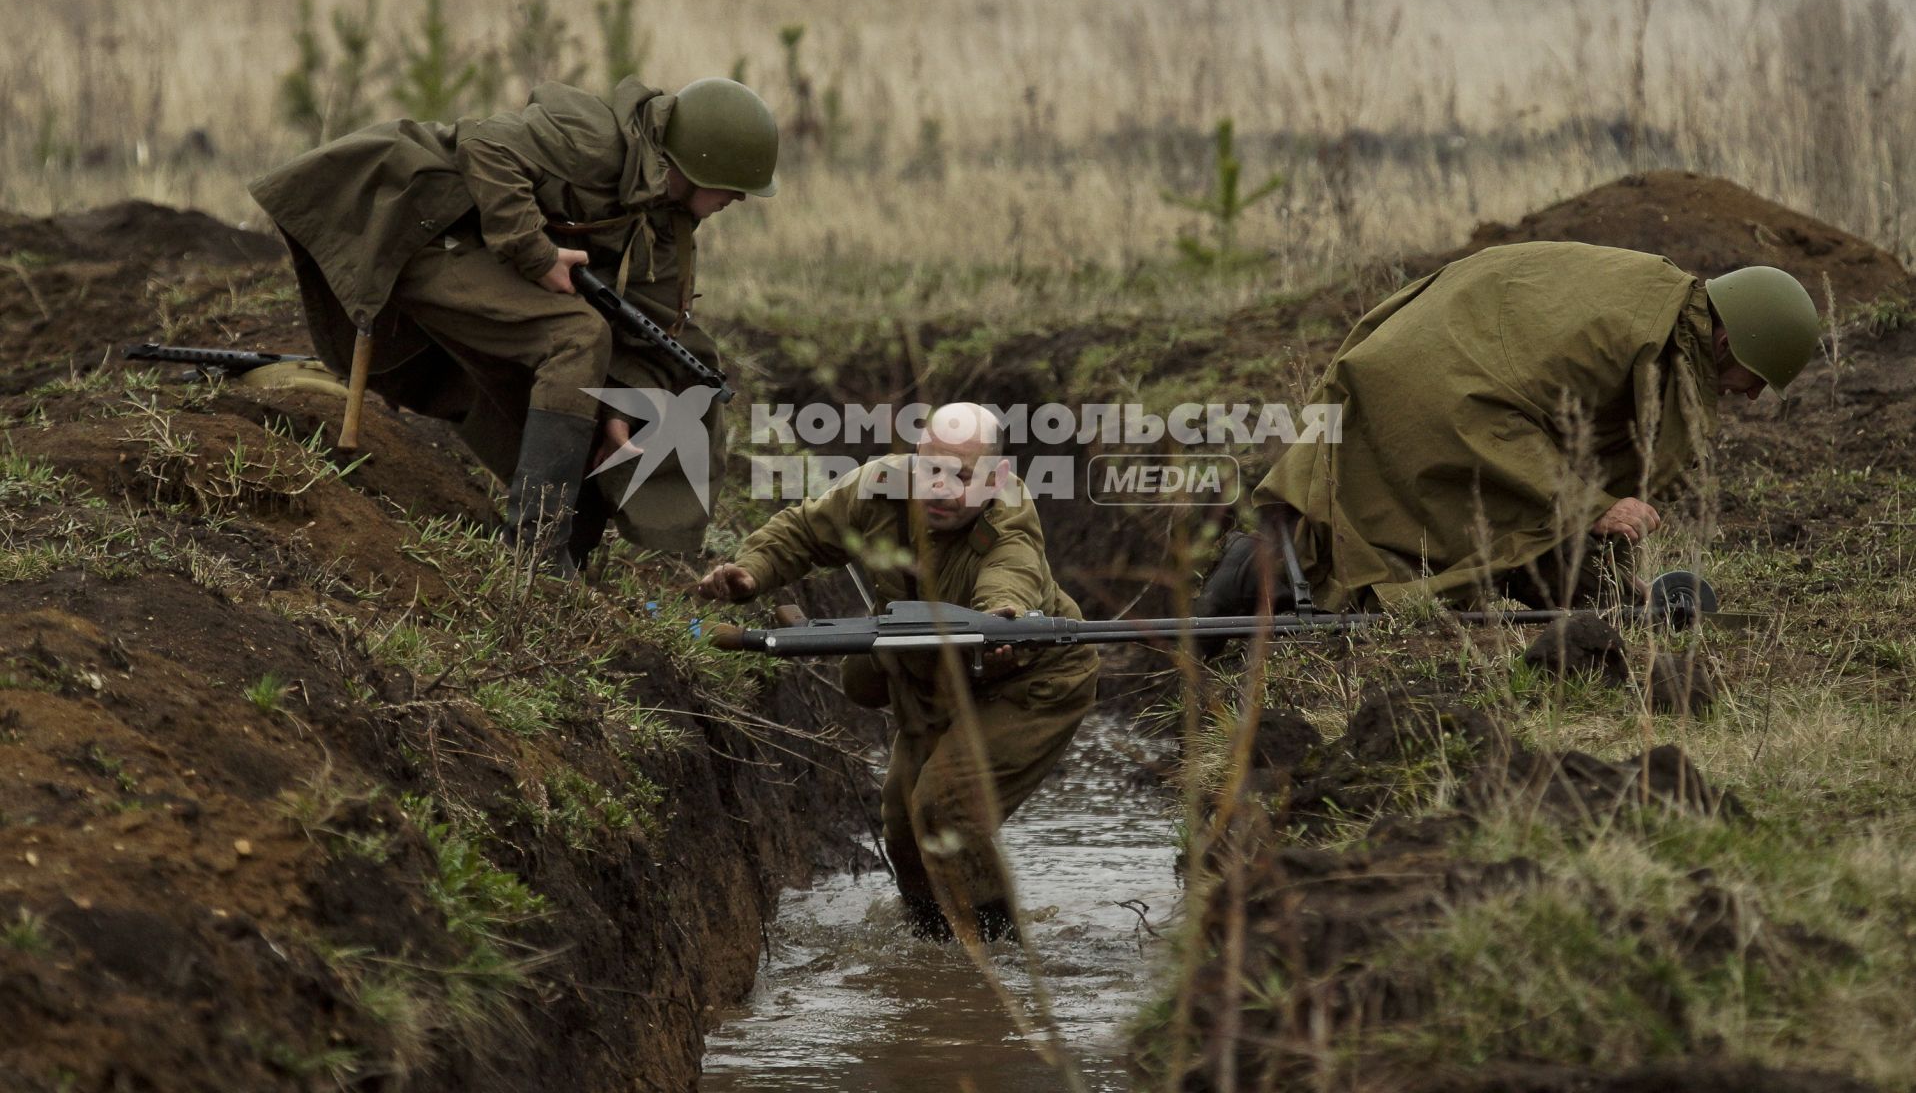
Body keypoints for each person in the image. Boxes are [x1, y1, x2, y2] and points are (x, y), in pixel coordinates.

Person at [250, 76, 778, 573]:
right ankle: (534, 555)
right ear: (701, 167)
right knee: (577, 337)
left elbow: (654, 324)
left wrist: (617, 407)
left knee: (604, 395)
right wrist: (536, 253)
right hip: (419, 226)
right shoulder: (597, 140)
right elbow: (485, 145)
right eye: (735, 187)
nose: (741, 200)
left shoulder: (671, 219)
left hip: (478, 252)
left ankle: (559, 572)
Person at [1199, 242, 1819, 616]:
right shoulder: (1628, 335)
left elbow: (1576, 438)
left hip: (1439, 356)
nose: (1752, 395)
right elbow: (1487, 416)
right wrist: (1590, 507)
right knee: (1387, 563)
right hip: (1431, 381)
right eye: (1754, 376)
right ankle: (1249, 573)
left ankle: (1580, 595)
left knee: (1479, 524)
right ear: (1725, 339)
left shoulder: (1658, 315)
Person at [696, 404, 1100, 942]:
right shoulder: (877, 487)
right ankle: (932, 944)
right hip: (934, 675)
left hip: (1029, 677)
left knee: (946, 806)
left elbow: (1013, 572)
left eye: (961, 477)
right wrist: (751, 572)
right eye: (931, 469)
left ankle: (995, 948)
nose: (941, 488)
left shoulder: (1008, 514)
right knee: (904, 825)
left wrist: (1004, 621)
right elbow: (803, 531)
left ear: (996, 478)